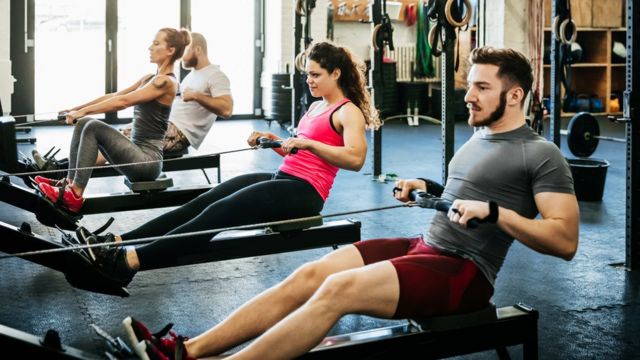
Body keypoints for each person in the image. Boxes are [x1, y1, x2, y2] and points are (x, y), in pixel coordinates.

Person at [120, 46, 580, 360]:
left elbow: (564, 240)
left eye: (481, 87)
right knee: (311, 275)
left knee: (336, 293)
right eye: (470, 84)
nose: (469, 95)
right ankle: (188, 350)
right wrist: (431, 189)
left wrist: (497, 214)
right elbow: (467, 196)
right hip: (426, 245)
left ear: (515, 94)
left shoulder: (540, 154)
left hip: (466, 273)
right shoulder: (479, 137)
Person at [77, 41, 381, 290]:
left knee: (217, 215)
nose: (309, 80)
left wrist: (309, 143)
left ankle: (128, 264)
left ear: (336, 73)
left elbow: (355, 159)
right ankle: (116, 242)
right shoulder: (316, 106)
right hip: (285, 176)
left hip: (306, 193)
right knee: (203, 202)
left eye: (316, 75)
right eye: (308, 75)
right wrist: (273, 139)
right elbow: (299, 151)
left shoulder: (347, 112)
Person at [35, 28, 192, 214]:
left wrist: (83, 111)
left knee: (92, 125)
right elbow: (114, 95)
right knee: (85, 122)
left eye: (156, 44)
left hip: (147, 162)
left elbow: (122, 102)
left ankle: (75, 193)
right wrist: (76, 109)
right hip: (135, 153)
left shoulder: (166, 82)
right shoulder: (150, 78)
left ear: (170, 50)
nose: (150, 47)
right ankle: (69, 184)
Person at [95, 32, 233, 164]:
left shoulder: (216, 75)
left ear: (197, 49)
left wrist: (197, 95)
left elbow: (227, 110)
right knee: (106, 138)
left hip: (178, 133)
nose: (180, 57)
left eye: (184, 51)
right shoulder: (193, 75)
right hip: (164, 125)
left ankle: (76, 180)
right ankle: (77, 176)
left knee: (113, 141)